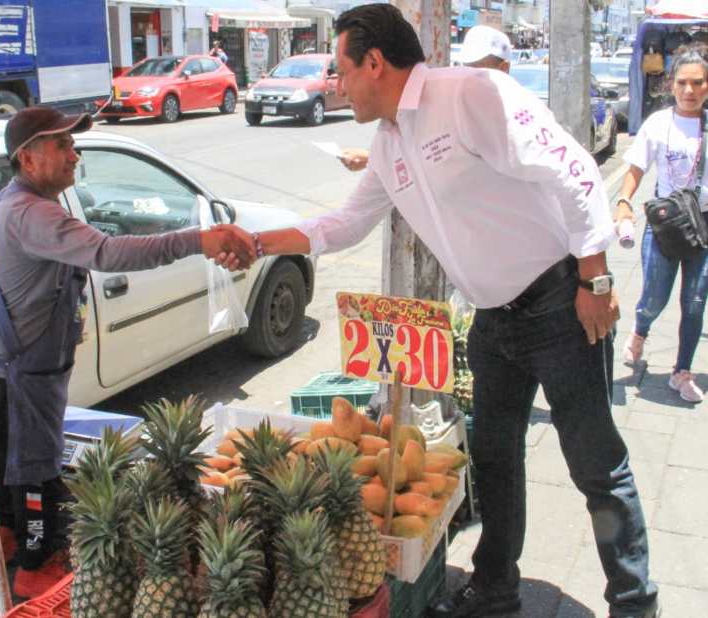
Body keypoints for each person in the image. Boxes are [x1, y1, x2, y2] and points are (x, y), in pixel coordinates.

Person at [233, 5, 659, 617]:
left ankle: (635, 602)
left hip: (559, 306)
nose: (337, 84)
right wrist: (261, 242)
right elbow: (347, 224)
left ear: (374, 62)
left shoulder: (468, 97)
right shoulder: (388, 142)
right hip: (492, 322)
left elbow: (574, 172)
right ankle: (494, 591)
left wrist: (595, 278)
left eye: (341, 69)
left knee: (596, 465)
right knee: (493, 461)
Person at [0, 106, 253, 599]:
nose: (74, 155)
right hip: (22, 373)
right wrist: (199, 240)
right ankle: (33, 568)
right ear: (28, 158)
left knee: (9, 462)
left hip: (8, 366)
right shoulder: (30, 214)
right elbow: (109, 253)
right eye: (62, 145)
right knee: (35, 468)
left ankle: (6, 537)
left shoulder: (17, 202)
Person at [616, 44, 708, 403]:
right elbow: (635, 169)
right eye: (683, 82)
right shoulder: (659, 123)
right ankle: (640, 330)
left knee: (696, 302)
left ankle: (681, 372)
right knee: (654, 297)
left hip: (704, 227)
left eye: (698, 83)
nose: (690, 90)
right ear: (671, 85)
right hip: (665, 226)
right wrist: (623, 201)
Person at [338, 24, 510, 172]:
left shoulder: (509, 116)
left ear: (504, 68)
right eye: (466, 67)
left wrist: (370, 160)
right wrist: (373, 160)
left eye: (478, 69)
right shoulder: (452, 105)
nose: (469, 76)